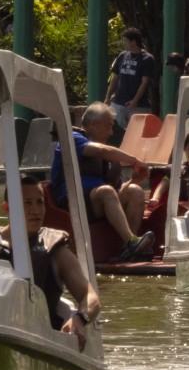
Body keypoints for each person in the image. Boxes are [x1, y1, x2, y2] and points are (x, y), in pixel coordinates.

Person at [0, 175, 102, 352]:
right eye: (27, 203)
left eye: (40, 202)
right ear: (7, 208)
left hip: (36, 340)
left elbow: (91, 297)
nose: (36, 210)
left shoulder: (57, 251)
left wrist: (80, 319)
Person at [49, 102, 154, 262]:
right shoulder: (72, 138)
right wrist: (134, 161)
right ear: (93, 124)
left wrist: (135, 180)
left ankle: (129, 247)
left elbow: (117, 190)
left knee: (135, 191)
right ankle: (131, 242)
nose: (111, 132)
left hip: (96, 201)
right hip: (72, 201)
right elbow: (101, 151)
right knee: (106, 191)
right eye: (108, 126)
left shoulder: (104, 157)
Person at [105, 27, 156, 127]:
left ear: (133, 42)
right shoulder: (122, 55)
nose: (124, 43)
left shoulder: (147, 58)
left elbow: (145, 82)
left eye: (125, 41)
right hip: (118, 103)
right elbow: (114, 77)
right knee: (117, 133)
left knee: (138, 134)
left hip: (138, 105)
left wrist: (135, 101)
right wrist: (107, 97)